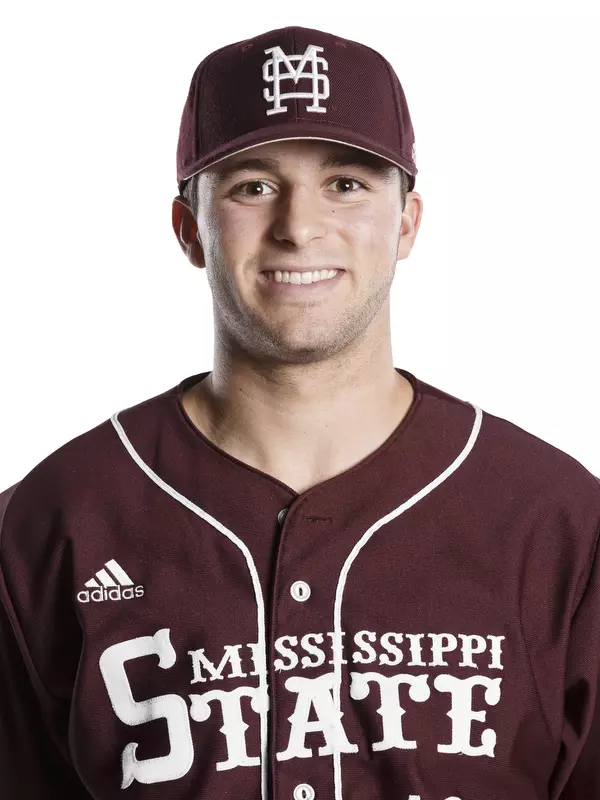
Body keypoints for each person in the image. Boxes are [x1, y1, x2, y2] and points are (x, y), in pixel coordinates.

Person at [1, 23, 599, 800]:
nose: (298, 226)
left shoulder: (555, 520)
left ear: (408, 221)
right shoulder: (53, 522)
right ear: (190, 230)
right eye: (252, 185)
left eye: (346, 184)